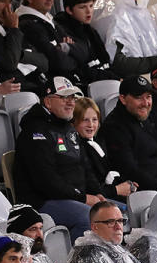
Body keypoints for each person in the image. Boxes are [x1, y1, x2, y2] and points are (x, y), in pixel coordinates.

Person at [15, 77, 102, 241]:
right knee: (87, 216)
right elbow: (46, 181)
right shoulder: (35, 132)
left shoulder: (69, 128)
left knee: (120, 210)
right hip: (43, 201)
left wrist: (97, 193)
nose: (70, 103)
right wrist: (83, 198)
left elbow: (85, 168)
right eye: (64, 97)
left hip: (74, 198)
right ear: (48, 102)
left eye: (73, 98)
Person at [100, 75, 157, 191]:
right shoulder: (114, 127)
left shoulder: (150, 115)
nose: (145, 103)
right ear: (123, 99)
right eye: (139, 98)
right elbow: (129, 170)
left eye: (148, 97)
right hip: (140, 193)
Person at [70, 97, 134, 204]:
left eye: (94, 119)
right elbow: (91, 187)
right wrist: (117, 190)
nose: (91, 125)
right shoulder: (78, 148)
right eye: (85, 120)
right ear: (74, 122)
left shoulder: (99, 141)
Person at [53, 0, 118, 84]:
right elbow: (80, 70)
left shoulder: (90, 30)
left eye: (91, 6)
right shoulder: (62, 33)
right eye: (82, 7)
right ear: (69, 10)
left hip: (104, 79)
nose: (89, 11)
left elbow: (105, 61)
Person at [17, 0, 78, 81]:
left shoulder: (48, 17)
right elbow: (58, 62)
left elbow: (79, 48)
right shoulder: (28, 25)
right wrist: (71, 52)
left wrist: (66, 50)